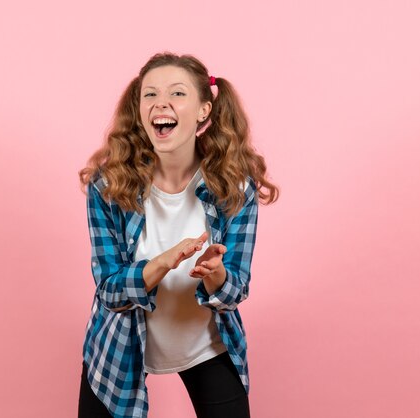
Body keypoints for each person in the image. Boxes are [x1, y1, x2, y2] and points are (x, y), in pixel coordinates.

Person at [77, 51, 279, 418]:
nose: (161, 103)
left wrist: (215, 274)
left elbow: (236, 289)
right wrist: (161, 263)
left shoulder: (234, 186)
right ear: (138, 108)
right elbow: (109, 288)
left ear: (204, 109)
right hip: (119, 345)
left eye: (177, 93)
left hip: (205, 345)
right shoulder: (108, 184)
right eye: (150, 94)